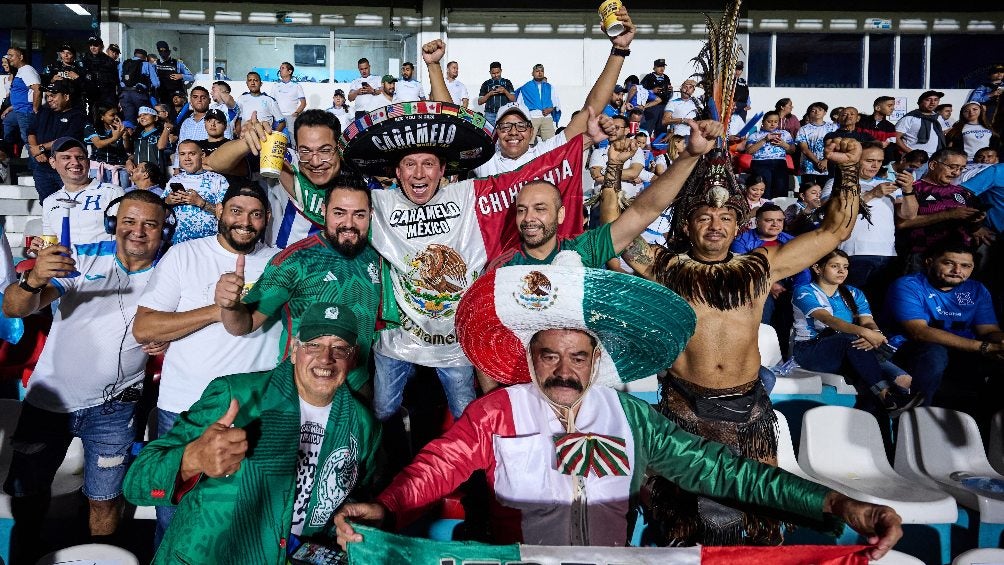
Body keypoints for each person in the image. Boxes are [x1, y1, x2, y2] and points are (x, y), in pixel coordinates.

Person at [334, 262, 902, 560]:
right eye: (549, 355)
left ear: (595, 358)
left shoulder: (630, 417)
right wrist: (386, 507)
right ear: (529, 357)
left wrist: (835, 501)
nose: (563, 370)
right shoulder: (496, 411)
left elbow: (728, 471)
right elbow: (438, 465)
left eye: (577, 356)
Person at [622, 131, 863, 544]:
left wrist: (847, 169)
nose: (715, 226)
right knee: (683, 525)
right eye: (704, 217)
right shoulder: (666, 268)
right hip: (685, 411)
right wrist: (612, 171)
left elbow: (836, 229)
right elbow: (619, 230)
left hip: (749, 411)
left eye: (724, 218)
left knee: (760, 519)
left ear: (739, 224)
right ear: (687, 224)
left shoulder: (761, 267)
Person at [124, 301, 380, 564]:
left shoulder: (362, 424)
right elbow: (136, 482)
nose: (326, 358)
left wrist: (352, 521)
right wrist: (193, 459)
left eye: (339, 348)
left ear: (352, 357)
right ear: (294, 350)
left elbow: (358, 490)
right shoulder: (236, 395)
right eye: (313, 345)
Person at [2, 190, 170, 564]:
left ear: (163, 230)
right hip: (49, 403)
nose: (137, 232)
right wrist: (32, 282)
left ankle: (96, 557)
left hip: (115, 410)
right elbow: (14, 307)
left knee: (104, 501)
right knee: (27, 494)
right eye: (128, 221)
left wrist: (170, 341)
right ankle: (24, 555)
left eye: (150, 224)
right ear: (114, 224)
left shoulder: (172, 270)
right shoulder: (82, 256)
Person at [133, 182, 281, 548]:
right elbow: (145, 327)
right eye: (236, 211)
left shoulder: (281, 262)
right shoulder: (184, 255)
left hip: (253, 413)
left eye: (255, 214)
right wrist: (217, 311)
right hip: (183, 409)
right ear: (221, 212)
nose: (245, 221)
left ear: (267, 219)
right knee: (174, 521)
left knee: (241, 525)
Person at [792, 249, 922, 413]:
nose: (842, 271)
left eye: (845, 267)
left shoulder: (853, 293)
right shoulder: (804, 291)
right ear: (817, 268)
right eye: (835, 266)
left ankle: (882, 419)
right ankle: (885, 396)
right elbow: (829, 320)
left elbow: (868, 321)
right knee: (849, 341)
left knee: (903, 379)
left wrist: (874, 333)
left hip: (850, 346)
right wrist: (865, 333)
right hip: (810, 351)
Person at [885, 241, 1004, 418]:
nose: (958, 271)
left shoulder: (976, 289)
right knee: (935, 353)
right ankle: (916, 417)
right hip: (914, 349)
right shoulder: (908, 285)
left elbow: (988, 331)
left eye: (965, 266)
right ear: (929, 262)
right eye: (949, 263)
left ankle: (986, 429)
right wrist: (983, 347)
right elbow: (919, 332)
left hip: (964, 351)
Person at [827, 142, 918, 305]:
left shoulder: (890, 184)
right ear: (856, 160)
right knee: (852, 302)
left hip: (888, 253)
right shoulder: (837, 183)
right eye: (869, 160)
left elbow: (908, 215)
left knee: (880, 304)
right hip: (854, 252)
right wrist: (872, 194)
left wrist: (908, 190)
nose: (875, 165)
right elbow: (834, 213)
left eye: (879, 161)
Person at [895, 148, 991, 273]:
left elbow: (968, 225)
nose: (956, 173)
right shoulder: (912, 188)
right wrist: (948, 215)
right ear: (933, 165)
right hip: (922, 256)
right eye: (952, 167)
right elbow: (902, 223)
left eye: (961, 168)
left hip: (957, 261)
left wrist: (976, 222)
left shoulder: (962, 192)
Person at [38, 136, 123, 249]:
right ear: (53, 162)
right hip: (65, 264)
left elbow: (124, 237)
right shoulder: (49, 201)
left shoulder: (112, 193)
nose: (75, 162)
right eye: (66, 157)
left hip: (102, 264)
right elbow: (50, 242)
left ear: (88, 162)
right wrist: (39, 248)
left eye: (80, 158)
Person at [27, 81, 88, 202]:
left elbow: (67, 139)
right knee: (47, 203)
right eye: (48, 96)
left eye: (53, 95)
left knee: (71, 203)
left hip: (66, 170)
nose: (49, 99)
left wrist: (41, 148)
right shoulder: (43, 111)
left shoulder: (78, 115)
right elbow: (31, 131)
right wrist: (36, 150)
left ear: (66, 96)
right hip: (42, 169)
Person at [163, 139, 229, 244]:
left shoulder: (218, 180)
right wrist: (167, 202)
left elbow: (227, 215)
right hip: (178, 244)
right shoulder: (174, 180)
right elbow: (160, 215)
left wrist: (201, 202)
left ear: (202, 155)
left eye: (192, 154)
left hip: (209, 243)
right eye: (182, 154)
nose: (187, 158)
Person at [744, 111, 794, 199]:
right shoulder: (755, 135)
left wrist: (783, 144)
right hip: (760, 163)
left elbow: (792, 150)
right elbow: (749, 151)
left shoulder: (785, 134)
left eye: (775, 122)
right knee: (764, 190)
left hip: (779, 163)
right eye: (769, 121)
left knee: (780, 190)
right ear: (763, 122)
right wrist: (764, 140)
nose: (772, 124)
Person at [1, 46, 40, 149]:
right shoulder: (20, 71)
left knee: (29, 141)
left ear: (21, 57)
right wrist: (10, 108)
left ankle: (36, 163)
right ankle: (7, 154)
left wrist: (35, 109)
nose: (8, 58)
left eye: (11, 55)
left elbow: (37, 89)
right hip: (18, 110)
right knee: (7, 121)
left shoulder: (27, 70)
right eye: (8, 55)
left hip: (25, 111)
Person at [84, 105, 132, 187]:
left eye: (117, 114)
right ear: (102, 117)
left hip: (119, 169)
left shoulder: (120, 128)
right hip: (98, 169)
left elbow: (126, 149)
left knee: (121, 196)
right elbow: (98, 144)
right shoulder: (91, 127)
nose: (116, 117)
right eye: (112, 115)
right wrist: (115, 138)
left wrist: (125, 137)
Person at [795, 101, 837, 186]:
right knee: (808, 191)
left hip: (828, 166)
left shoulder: (833, 127)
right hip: (809, 167)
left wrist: (825, 160)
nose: (817, 112)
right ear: (809, 113)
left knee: (826, 193)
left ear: (825, 112)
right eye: (813, 110)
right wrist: (817, 162)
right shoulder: (803, 129)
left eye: (820, 110)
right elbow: (804, 149)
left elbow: (835, 145)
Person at [517, 63, 560, 143]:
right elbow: (520, 104)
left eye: (542, 71)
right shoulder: (526, 87)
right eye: (537, 71)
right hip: (532, 117)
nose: (540, 73)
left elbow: (555, 101)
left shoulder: (549, 87)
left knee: (550, 143)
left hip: (547, 118)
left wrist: (550, 109)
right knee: (528, 142)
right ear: (532, 73)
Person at [81, 37, 121, 122]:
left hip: (107, 96)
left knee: (108, 119)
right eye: (90, 45)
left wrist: (118, 99)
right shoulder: (85, 60)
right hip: (91, 96)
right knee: (93, 119)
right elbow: (82, 79)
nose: (92, 47)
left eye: (95, 45)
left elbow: (116, 82)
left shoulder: (109, 61)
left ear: (101, 47)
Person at [896, 90, 946, 157]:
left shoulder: (938, 118)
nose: (932, 103)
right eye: (928, 100)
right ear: (920, 102)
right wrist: (911, 153)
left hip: (936, 158)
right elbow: (895, 137)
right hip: (914, 159)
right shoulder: (910, 118)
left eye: (936, 100)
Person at [118, 48, 159, 125]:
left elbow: (119, 80)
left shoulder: (123, 63)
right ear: (145, 57)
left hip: (124, 95)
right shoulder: (146, 64)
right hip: (139, 95)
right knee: (143, 118)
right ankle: (140, 135)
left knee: (129, 119)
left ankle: (129, 135)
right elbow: (156, 83)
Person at [41, 44, 85, 109]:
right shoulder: (52, 67)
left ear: (74, 55)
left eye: (69, 53)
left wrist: (77, 78)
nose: (65, 55)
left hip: (75, 103)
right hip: (57, 103)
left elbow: (87, 87)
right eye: (63, 52)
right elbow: (42, 85)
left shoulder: (80, 68)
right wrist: (52, 80)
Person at [153, 40, 193, 105]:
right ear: (158, 52)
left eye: (165, 50)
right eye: (161, 51)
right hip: (161, 95)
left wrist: (181, 76)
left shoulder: (178, 63)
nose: (163, 53)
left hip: (176, 96)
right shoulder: (155, 64)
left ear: (169, 51)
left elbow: (191, 77)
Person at [967, 63, 1004, 132]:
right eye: (996, 72)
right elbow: (973, 101)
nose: (999, 73)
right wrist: (991, 95)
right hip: (989, 116)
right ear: (990, 75)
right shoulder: (983, 87)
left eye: (1001, 71)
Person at [640, 58, 673, 135]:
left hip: (664, 106)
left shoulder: (666, 77)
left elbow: (669, 91)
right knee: (648, 128)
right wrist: (652, 91)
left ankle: (658, 146)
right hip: (652, 107)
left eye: (663, 66)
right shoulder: (648, 77)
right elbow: (640, 91)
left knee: (661, 128)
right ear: (654, 68)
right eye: (659, 66)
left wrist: (670, 89)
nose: (662, 68)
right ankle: (645, 144)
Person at [478, 61, 516, 125]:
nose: (496, 75)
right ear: (490, 72)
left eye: (497, 73)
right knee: (489, 134)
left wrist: (505, 91)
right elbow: (480, 102)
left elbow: (513, 99)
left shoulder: (507, 82)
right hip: (489, 115)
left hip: (504, 113)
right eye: (493, 73)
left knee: (504, 133)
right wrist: (489, 94)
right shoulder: (486, 84)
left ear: (501, 71)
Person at [274, 62, 306, 137]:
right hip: (278, 117)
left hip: (291, 117)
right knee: (277, 139)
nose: (280, 70)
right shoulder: (275, 85)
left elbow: (303, 103)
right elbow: (272, 102)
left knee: (293, 139)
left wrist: (296, 113)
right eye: (280, 68)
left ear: (289, 71)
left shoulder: (297, 86)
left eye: (282, 68)